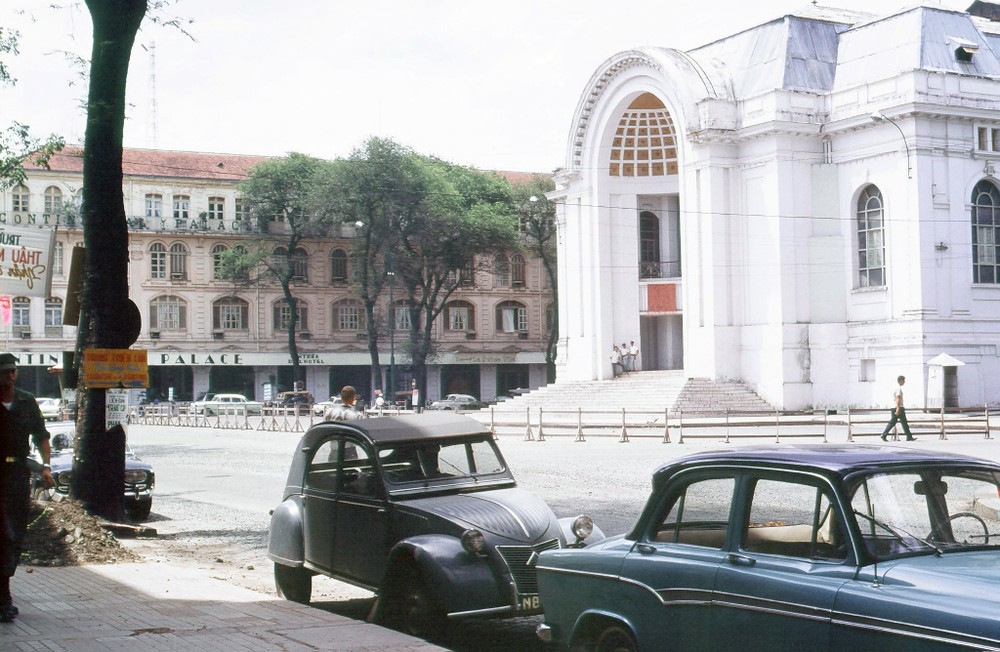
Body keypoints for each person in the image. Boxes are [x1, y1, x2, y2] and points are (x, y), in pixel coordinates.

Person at [0, 353, 51, 622]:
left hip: (17, 474)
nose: (9, 375)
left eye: (13, 371)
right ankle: (3, 596)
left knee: (14, 532)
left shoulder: (26, 401)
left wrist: (46, 467)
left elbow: (41, 436)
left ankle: (4, 590)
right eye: (4, 371)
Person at [881, 375, 916, 441]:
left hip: (894, 407)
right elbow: (898, 398)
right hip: (898, 407)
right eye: (904, 380)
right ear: (900, 381)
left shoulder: (894, 387)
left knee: (901, 422)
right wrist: (898, 408)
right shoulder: (898, 389)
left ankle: (909, 436)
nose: (904, 382)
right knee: (896, 422)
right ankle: (884, 434)